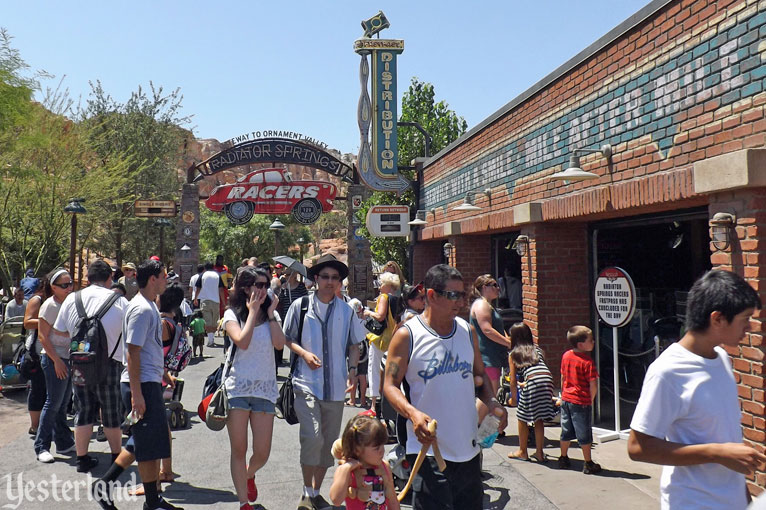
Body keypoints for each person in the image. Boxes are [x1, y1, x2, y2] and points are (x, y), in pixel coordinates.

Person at [628, 270, 766, 510]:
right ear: (718, 319)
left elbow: (726, 439)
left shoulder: (722, 358)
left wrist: (744, 499)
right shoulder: (667, 371)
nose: (749, 326)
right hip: (692, 503)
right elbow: (637, 447)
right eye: (745, 318)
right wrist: (715, 452)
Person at [383, 264, 508, 510]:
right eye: (453, 295)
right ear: (431, 295)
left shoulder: (466, 330)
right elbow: (389, 386)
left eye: (463, 295)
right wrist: (413, 414)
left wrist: (493, 403)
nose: (460, 302)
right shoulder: (407, 335)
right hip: (428, 449)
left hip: (468, 450)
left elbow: (480, 376)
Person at [283, 254, 366, 510]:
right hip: (306, 383)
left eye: (335, 278)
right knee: (313, 437)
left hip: (336, 386)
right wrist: (304, 353)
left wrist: (352, 368)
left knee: (329, 444)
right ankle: (307, 493)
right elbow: (286, 339)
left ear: (339, 282)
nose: (330, 282)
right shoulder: (301, 306)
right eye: (326, 277)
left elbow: (355, 344)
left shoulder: (347, 310)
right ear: (316, 279)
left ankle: (314, 493)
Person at [53, 260, 128, 473]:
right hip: (111, 363)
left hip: (80, 362)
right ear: (109, 278)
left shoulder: (72, 299)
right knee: (111, 412)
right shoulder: (119, 301)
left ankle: (82, 459)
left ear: (87, 279)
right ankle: (116, 458)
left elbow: (59, 330)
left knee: (82, 410)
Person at [223, 267, 285, 510]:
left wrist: (269, 313)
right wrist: (252, 312)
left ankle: (250, 474)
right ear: (245, 288)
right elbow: (243, 341)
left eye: (265, 284)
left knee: (262, 452)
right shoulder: (231, 314)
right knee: (239, 448)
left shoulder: (272, 315)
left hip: (264, 389)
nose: (263, 289)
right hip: (238, 387)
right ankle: (243, 503)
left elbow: (280, 344)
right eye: (258, 284)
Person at [34, 268, 75, 463]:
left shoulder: (69, 304)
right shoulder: (49, 306)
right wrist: (56, 361)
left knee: (63, 403)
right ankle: (42, 445)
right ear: (53, 287)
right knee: (53, 403)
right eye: (64, 285)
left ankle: (64, 441)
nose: (69, 288)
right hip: (53, 359)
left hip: (67, 358)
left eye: (70, 284)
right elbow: (43, 336)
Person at [506, 322, 555, 463]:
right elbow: (537, 370)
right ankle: (539, 453)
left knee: (522, 418)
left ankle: (522, 451)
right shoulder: (537, 350)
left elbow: (513, 381)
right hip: (546, 380)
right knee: (538, 418)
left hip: (533, 382)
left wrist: (514, 399)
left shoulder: (513, 354)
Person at [329, 413, 400, 510]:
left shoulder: (384, 467)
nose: (382, 450)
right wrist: (345, 469)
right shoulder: (348, 471)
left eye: (382, 445)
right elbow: (336, 500)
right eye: (376, 448)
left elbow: (393, 501)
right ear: (357, 450)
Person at [558, 325, 601, 474]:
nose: (594, 342)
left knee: (566, 430)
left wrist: (563, 393)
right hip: (581, 401)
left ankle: (563, 457)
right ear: (581, 344)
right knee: (584, 433)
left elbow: (563, 376)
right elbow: (593, 384)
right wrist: (591, 399)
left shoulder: (566, 356)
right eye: (591, 340)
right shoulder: (588, 362)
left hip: (566, 399)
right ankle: (588, 462)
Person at [363, 272, 400, 412]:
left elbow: (380, 316)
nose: (380, 286)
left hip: (380, 340)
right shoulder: (396, 298)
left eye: (382, 283)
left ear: (388, 285)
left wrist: (368, 313)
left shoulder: (383, 297)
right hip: (392, 338)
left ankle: (374, 405)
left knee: (374, 371)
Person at [469, 274, 511, 397]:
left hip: (493, 358)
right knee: (489, 398)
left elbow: (498, 328)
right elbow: (487, 330)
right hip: (486, 359)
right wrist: (508, 343)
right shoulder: (482, 305)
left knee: (491, 398)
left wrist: (507, 338)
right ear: (483, 287)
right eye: (494, 285)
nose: (498, 288)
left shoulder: (488, 305)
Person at [22, 277, 47, 437]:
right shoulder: (37, 299)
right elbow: (27, 322)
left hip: (50, 351)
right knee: (37, 389)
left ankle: (45, 425)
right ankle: (35, 426)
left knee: (48, 391)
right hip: (36, 352)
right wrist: (47, 321)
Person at [277, 268, 309, 369]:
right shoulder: (284, 288)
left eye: (287, 275)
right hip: (286, 316)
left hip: (299, 318)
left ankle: (296, 364)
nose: (285, 277)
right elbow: (280, 301)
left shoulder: (300, 287)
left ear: (293, 275)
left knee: (297, 341)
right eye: (284, 275)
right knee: (288, 339)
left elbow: (306, 300)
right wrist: (282, 290)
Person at [194, 261, 226, 347]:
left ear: (205, 268)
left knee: (207, 321)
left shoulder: (202, 275)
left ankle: (210, 339)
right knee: (214, 321)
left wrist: (196, 298)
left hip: (205, 301)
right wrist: (223, 302)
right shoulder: (217, 275)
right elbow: (221, 290)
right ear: (213, 267)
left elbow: (198, 288)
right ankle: (211, 339)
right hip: (216, 301)